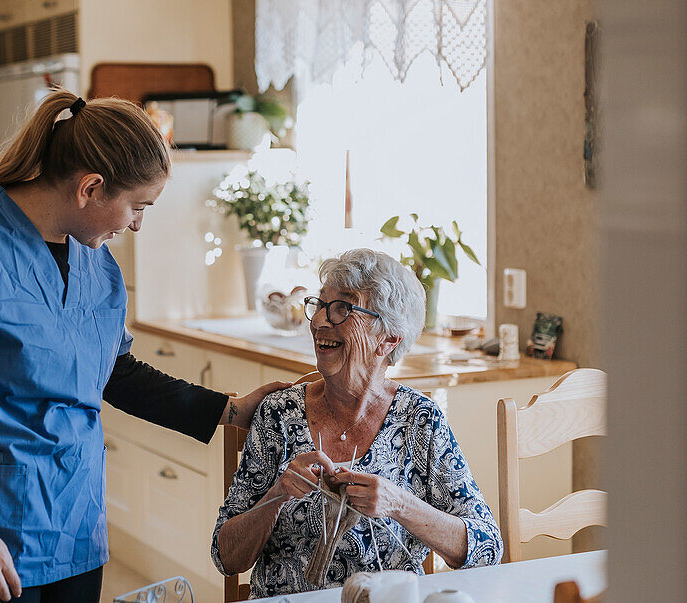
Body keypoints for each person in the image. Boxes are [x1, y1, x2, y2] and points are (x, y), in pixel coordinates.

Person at [0, 90, 285, 603]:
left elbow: (113, 372)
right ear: (90, 187)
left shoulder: (94, 262)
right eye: (137, 206)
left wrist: (231, 410)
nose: (136, 224)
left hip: (71, 522)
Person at [212, 249, 502, 597]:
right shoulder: (279, 414)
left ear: (388, 339)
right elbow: (225, 556)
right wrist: (277, 495)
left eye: (342, 308)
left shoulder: (419, 420)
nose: (320, 321)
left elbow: (487, 548)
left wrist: (400, 504)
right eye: (319, 305)